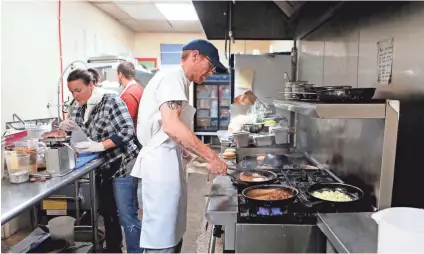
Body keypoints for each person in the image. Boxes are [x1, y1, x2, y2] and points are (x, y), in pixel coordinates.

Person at [130, 39, 228, 253]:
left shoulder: (181, 81)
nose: (211, 73)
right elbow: (171, 125)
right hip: (160, 166)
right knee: (162, 236)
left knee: (171, 230)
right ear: (195, 55)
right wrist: (212, 157)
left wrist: (188, 151)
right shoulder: (172, 76)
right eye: (210, 66)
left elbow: (168, 129)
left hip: (168, 162)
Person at [58, 68, 142, 253]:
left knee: (127, 216)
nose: (75, 95)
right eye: (71, 91)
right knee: (108, 212)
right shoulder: (80, 107)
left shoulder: (111, 101)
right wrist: (65, 128)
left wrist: (100, 146)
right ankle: (113, 249)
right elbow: (78, 132)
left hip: (123, 165)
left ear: (91, 85)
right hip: (103, 167)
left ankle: (136, 251)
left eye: (78, 90)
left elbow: (127, 131)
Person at [117, 61, 144, 131]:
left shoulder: (128, 95)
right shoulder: (139, 87)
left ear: (120, 74)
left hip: (133, 137)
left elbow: (126, 124)